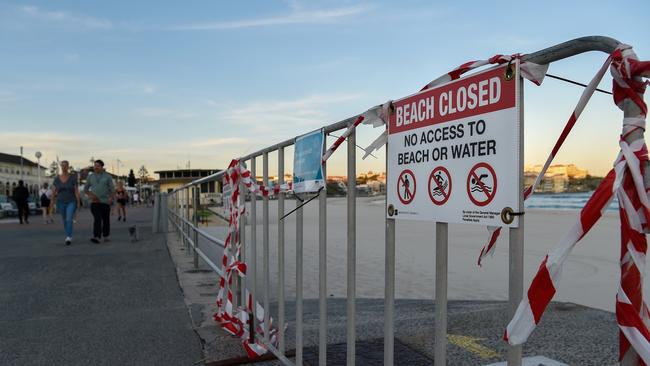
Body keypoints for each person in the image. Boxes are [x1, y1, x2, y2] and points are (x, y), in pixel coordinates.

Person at [84, 159, 115, 243]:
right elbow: (85, 189)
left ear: (102, 167)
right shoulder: (90, 176)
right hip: (94, 202)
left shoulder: (107, 176)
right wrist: (91, 195)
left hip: (105, 201)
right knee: (97, 219)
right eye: (95, 166)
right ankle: (96, 236)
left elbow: (112, 189)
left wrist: (111, 198)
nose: (96, 167)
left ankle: (106, 235)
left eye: (98, 166)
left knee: (106, 219)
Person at [51, 160, 81, 245]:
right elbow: (53, 192)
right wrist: (52, 203)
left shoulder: (73, 178)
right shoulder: (57, 179)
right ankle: (68, 234)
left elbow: (76, 191)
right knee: (64, 220)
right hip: (60, 202)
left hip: (71, 201)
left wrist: (78, 202)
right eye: (62, 166)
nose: (64, 167)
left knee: (69, 218)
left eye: (65, 166)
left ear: (68, 167)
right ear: (61, 167)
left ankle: (68, 237)